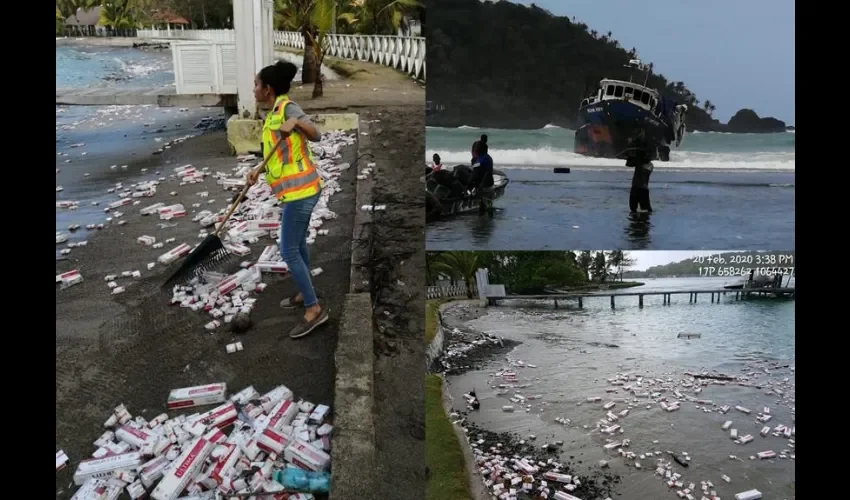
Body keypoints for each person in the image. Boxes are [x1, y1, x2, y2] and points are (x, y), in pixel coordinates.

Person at [246, 60, 328, 339]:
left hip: (302, 192)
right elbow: (278, 154)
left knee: (288, 249)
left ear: (267, 89)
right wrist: (257, 170)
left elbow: (316, 135)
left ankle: (314, 308)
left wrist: (295, 122)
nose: (254, 89)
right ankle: (305, 291)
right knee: (298, 244)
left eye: (256, 84)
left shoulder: (287, 109)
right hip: (294, 191)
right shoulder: (272, 113)